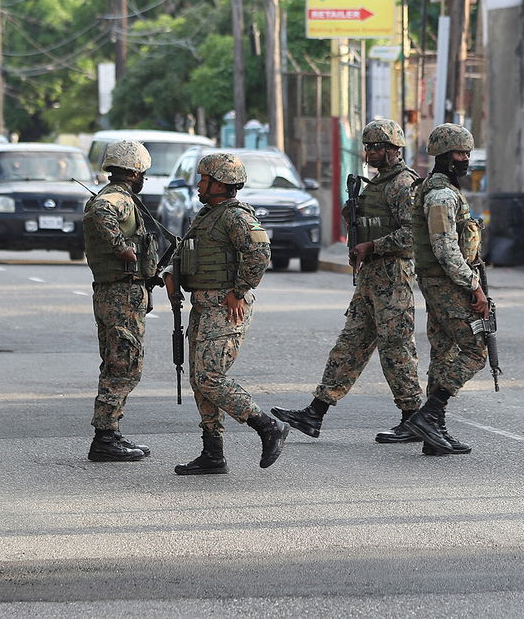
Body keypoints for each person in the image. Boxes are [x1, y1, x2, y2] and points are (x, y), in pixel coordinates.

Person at [271, 119, 423, 443]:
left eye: (376, 147)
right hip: (370, 279)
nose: (369, 152)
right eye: (367, 147)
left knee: (396, 349)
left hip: (393, 281)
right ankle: (315, 412)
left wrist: (374, 246)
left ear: (395, 149)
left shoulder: (404, 185)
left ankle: (413, 418)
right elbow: (371, 221)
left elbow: (413, 235)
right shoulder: (377, 184)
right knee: (349, 346)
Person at [163, 152, 288, 474]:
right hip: (204, 306)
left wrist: (239, 290)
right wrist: (172, 275)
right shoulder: (207, 215)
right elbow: (188, 254)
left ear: (221, 183)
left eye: (205, 180)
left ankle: (267, 426)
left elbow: (260, 252)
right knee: (199, 380)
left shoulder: (235, 216)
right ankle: (212, 453)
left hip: (225, 307)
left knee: (210, 377)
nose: (200, 186)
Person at [400, 123, 490, 456]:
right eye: (459, 153)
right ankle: (429, 414)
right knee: (475, 350)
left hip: (440, 282)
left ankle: (433, 432)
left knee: (443, 353)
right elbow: (444, 247)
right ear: (443, 155)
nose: (465, 159)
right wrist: (474, 286)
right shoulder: (439, 194)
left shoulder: (444, 189)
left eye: (467, 152)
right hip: (447, 283)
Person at [83, 140, 160, 463]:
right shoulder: (116, 198)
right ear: (134, 172)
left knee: (117, 362)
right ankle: (105, 438)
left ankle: (110, 432)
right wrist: (121, 247)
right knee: (124, 364)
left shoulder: (122, 198)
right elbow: (101, 212)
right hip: (120, 293)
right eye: (142, 173)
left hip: (117, 292)